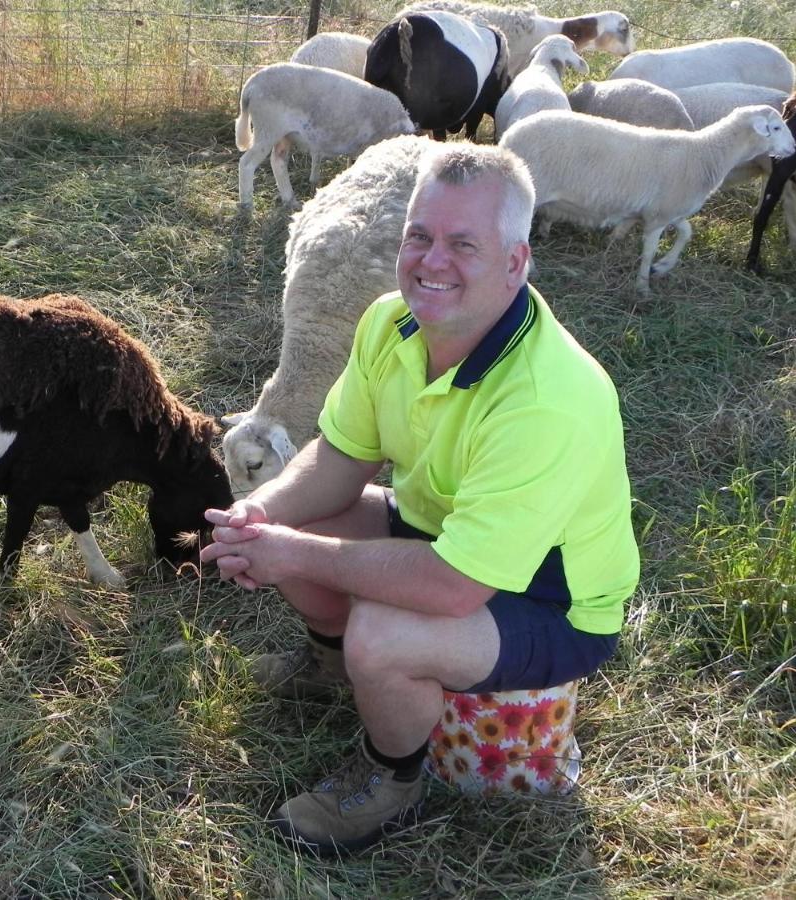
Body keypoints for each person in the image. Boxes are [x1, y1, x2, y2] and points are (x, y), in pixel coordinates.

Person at [201, 143, 639, 856]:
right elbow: (341, 455)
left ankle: (391, 779)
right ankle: (329, 664)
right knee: (307, 517)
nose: (432, 262)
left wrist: (294, 554)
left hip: (549, 598)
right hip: (443, 533)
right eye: (420, 236)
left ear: (515, 262)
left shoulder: (546, 400)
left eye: (464, 244)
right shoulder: (388, 322)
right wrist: (266, 514)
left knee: (383, 629)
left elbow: (455, 585)